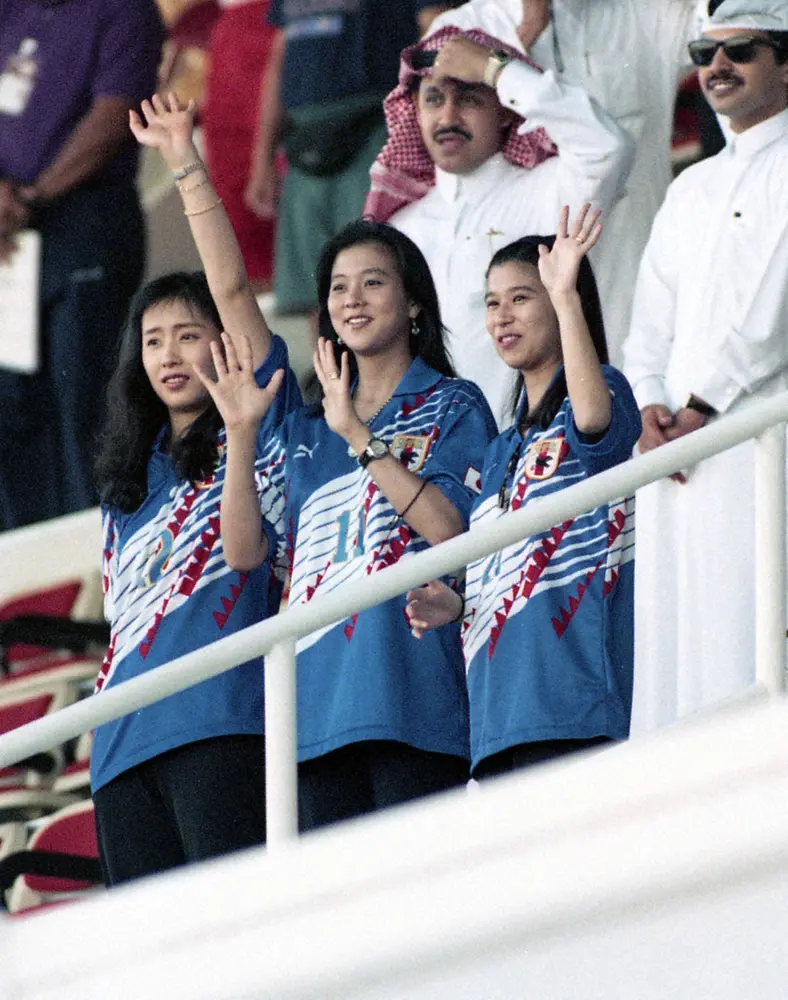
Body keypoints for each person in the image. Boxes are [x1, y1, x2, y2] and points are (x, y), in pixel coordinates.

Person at [213, 217, 498, 831]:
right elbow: (245, 553)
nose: (353, 300)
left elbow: (450, 528)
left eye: (373, 283)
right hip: (312, 711)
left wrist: (358, 436)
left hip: (413, 695)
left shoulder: (454, 402)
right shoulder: (305, 428)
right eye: (339, 288)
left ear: (414, 303)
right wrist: (242, 432)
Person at [90, 93, 302, 886]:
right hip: (117, 744)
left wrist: (184, 162)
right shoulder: (124, 477)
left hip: (222, 722)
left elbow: (236, 291)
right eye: (153, 340)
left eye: (189, 333)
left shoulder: (263, 415)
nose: (170, 353)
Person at [405, 205, 641, 779]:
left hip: (572, 702)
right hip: (494, 714)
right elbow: (506, 571)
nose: (502, 316)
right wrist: (457, 605)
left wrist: (565, 295)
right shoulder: (499, 446)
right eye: (491, 301)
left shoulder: (600, 392)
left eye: (521, 297)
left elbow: (594, 424)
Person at [622, 0, 788, 733]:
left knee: (748, 619)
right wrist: (651, 405)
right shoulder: (692, 186)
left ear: (785, 62)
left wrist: (700, 406)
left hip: (754, 433)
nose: (716, 67)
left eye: (740, 51)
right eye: (704, 54)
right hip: (678, 451)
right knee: (678, 639)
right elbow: (647, 322)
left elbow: (771, 311)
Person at [364, 26, 634, 429]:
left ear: (505, 110)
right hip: (432, 463)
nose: (448, 116)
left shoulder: (547, 191)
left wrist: (497, 71)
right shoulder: (400, 230)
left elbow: (608, 147)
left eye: (469, 98)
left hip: (534, 445)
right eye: (434, 99)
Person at [424, 0, 708, 366]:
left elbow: (741, 22)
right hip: (524, 303)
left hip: (638, 284)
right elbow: (456, 167)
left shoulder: (646, 13)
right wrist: (521, 39)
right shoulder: (467, 26)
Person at [0, 0, 165, 530]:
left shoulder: (125, 11)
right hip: (11, 237)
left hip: (84, 222)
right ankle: (33, 592)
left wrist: (29, 196)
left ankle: (98, 577)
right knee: (13, 410)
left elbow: (115, 116)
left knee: (83, 409)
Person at [244, 1, 460, 318]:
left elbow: (436, 29)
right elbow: (280, 58)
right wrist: (261, 159)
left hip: (376, 129)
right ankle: (330, 368)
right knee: (316, 288)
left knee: (377, 270)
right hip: (303, 143)